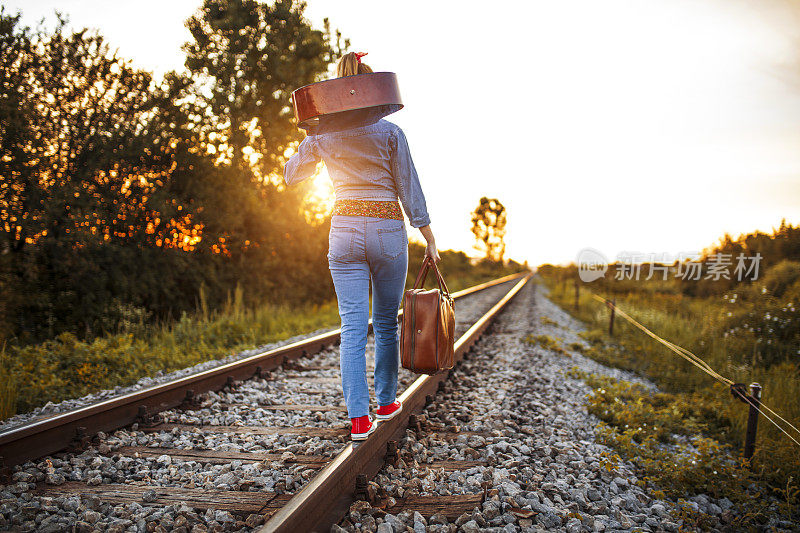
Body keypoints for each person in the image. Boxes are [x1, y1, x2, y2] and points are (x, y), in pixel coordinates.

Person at [283, 51, 439, 440]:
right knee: (386, 323)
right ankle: (386, 402)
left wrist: (309, 135)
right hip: (387, 229)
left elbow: (291, 177)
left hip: (344, 230)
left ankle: (357, 418)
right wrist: (429, 237)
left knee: (352, 327)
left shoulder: (321, 135)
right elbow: (409, 188)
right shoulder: (390, 133)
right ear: (371, 91)